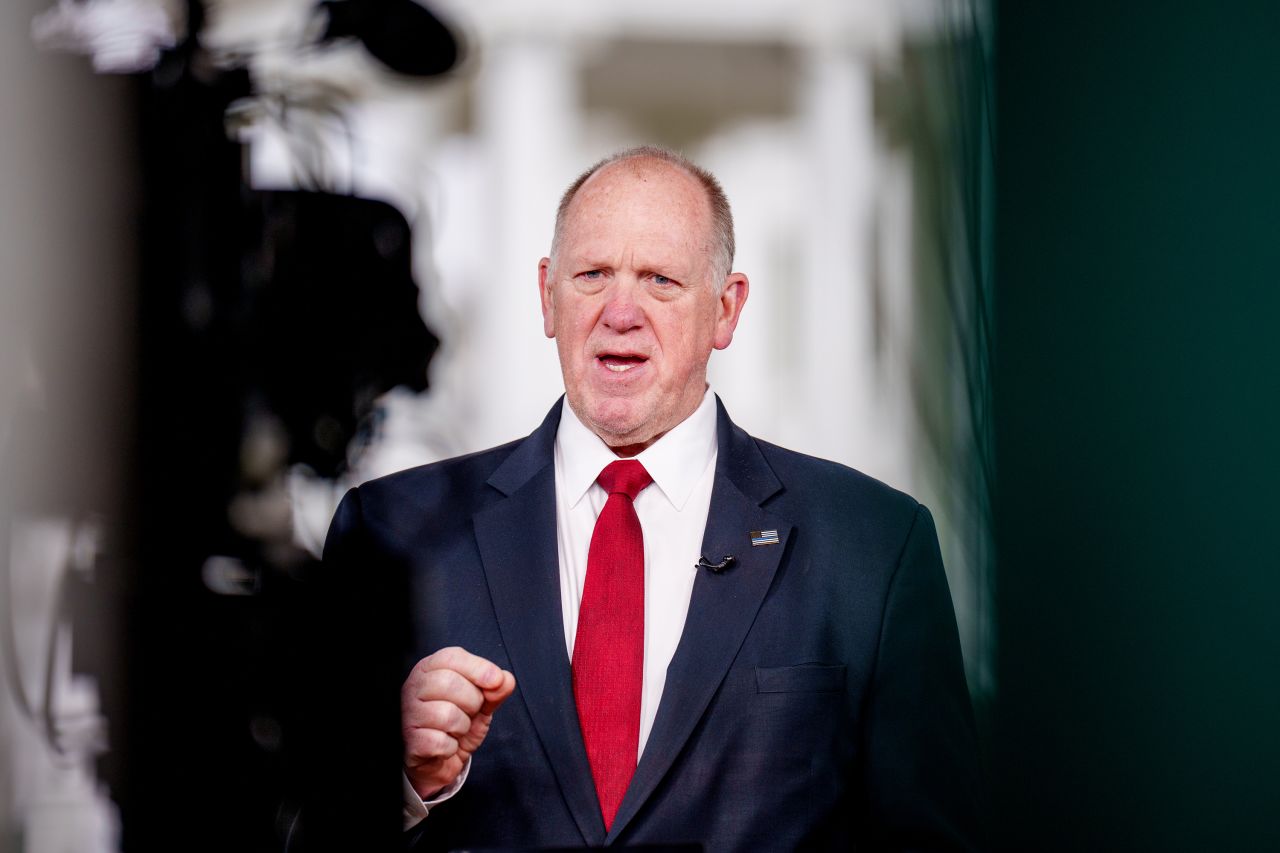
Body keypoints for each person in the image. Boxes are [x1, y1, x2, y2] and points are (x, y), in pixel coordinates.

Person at [322, 146, 985, 851]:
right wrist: (397, 781)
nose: (620, 311)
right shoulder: (392, 531)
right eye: (592, 274)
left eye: (661, 280)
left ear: (725, 310)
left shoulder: (875, 546)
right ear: (548, 296)